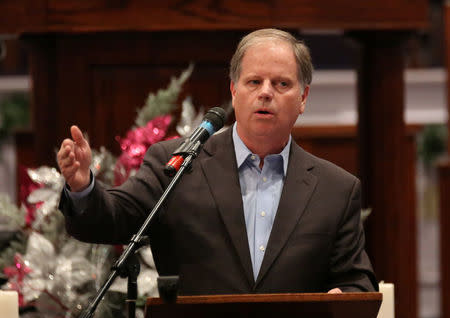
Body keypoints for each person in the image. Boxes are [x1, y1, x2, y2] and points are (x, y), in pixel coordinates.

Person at [58, 29, 377, 297]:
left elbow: (357, 281)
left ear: (303, 97)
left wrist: (343, 299)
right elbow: (113, 219)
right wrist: (83, 187)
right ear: (234, 90)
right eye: (254, 82)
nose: (266, 93)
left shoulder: (335, 189)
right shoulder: (177, 164)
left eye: (281, 84)